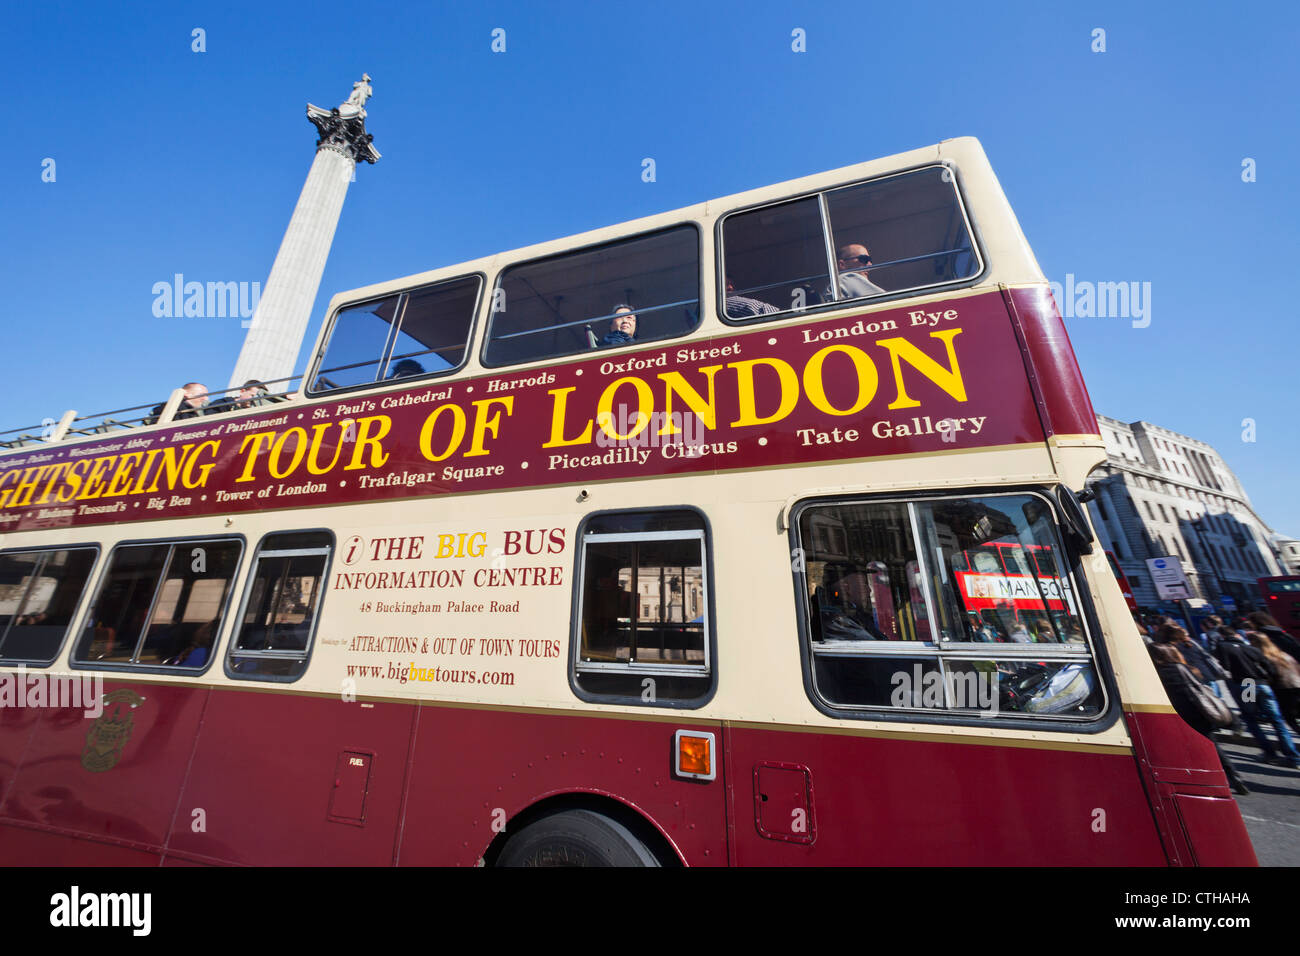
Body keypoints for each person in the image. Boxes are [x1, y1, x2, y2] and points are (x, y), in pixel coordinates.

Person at [1148, 643, 1249, 794]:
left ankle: (1195, 779)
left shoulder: (1156, 673)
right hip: (1199, 712)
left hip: (1178, 715)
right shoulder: (1183, 668)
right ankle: (1234, 776)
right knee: (1213, 747)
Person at [1216, 626, 1300, 767]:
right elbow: (1270, 668)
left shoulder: (1223, 647)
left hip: (1246, 683)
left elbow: (1225, 666)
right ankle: (1293, 756)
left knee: (1251, 718)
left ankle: (1269, 753)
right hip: (1262, 684)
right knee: (1277, 721)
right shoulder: (1252, 649)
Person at [1247, 631, 1300, 734]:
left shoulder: (1263, 658)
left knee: (1288, 718)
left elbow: (1267, 676)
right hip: (1297, 685)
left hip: (1283, 689)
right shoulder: (1283, 654)